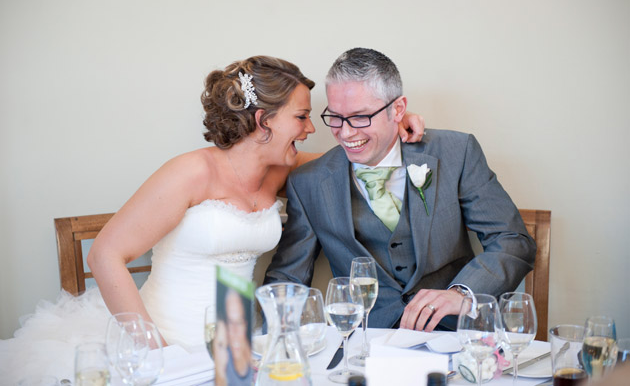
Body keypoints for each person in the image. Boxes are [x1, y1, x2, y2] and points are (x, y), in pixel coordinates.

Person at [0, 54, 425, 383]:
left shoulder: (281, 171)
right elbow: (106, 255)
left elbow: (353, 156)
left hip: (238, 349)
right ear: (264, 121)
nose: (311, 128)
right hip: (164, 343)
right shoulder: (190, 173)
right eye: (301, 116)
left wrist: (395, 122)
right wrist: (156, 352)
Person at [265, 48, 537, 332]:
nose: (345, 133)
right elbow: (288, 279)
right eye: (336, 117)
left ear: (397, 109)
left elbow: (512, 240)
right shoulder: (308, 182)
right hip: (366, 343)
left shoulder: (457, 153)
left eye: (360, 117)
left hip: (458, 338)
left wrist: (461, 294)